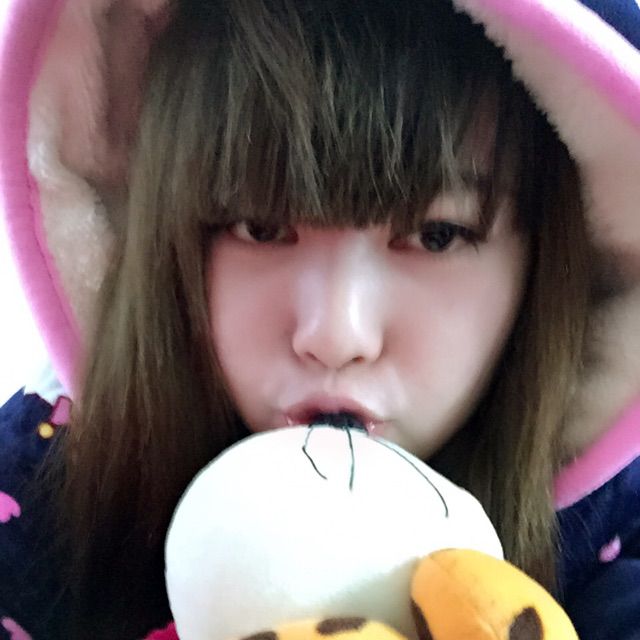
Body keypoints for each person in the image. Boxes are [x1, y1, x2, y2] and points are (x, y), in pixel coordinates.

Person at [0, 0, 639, 638]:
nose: (336, 336)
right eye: (260, 227)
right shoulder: (36, 496)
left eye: (437, 235)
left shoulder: (617, 532)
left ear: (555, 263)